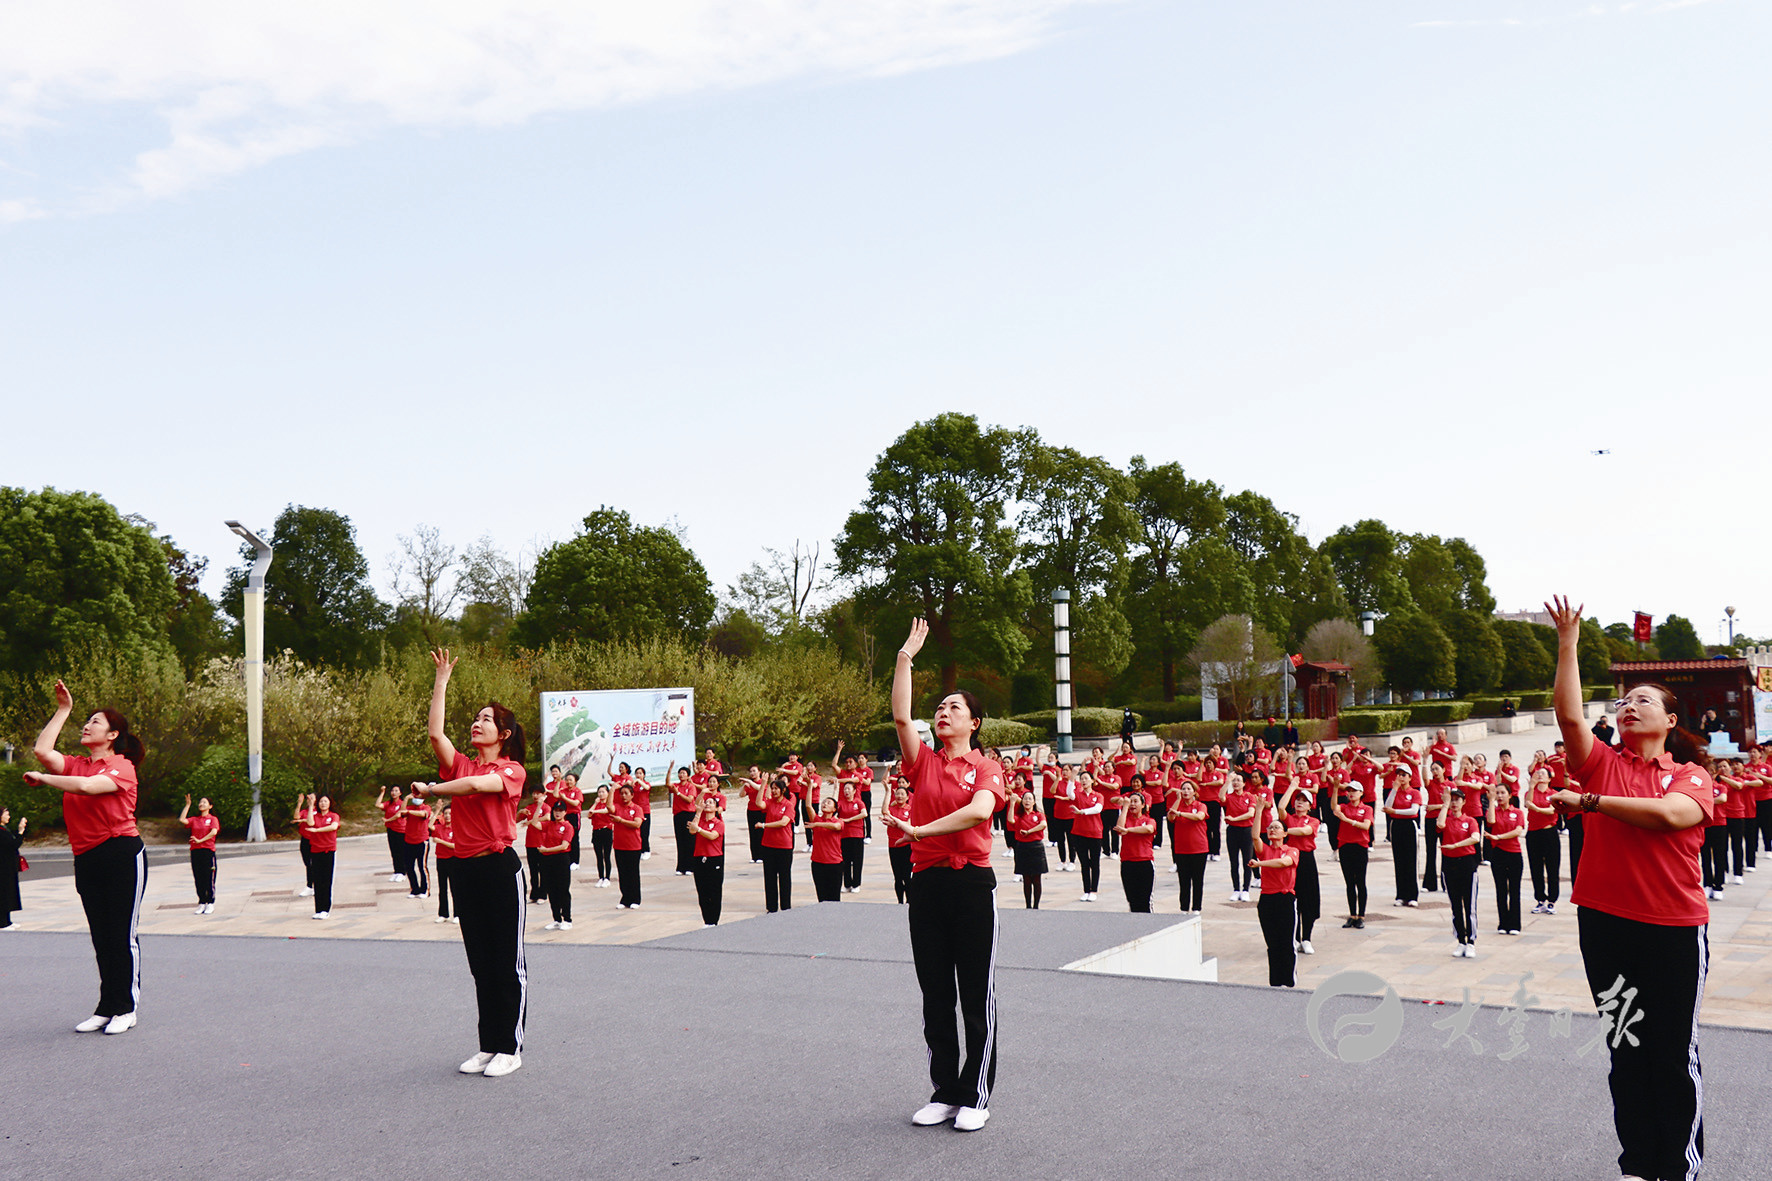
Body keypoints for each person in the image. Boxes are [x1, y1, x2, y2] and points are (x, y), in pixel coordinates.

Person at [1544, 597, 1715, 1181]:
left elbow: (1668, 816)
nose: (1629, 708)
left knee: (1671, 1053)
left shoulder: (1690, 776)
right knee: (1625, 1047)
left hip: (1671, 929)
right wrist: (1568, 643)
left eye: (1643, 700)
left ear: (1670, 720)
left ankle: (1679, 1168)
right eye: (1623, 702)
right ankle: (1639, 1165)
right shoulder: (1602, 763)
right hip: (1605, 924)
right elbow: (1570, 719)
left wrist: (1589, 802)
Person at [881, 618, 1006, 1133]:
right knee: (936, 994)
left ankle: (976, 1094)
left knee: (975, 994)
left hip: (971, 884)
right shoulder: (923, 763)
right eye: (940, 706)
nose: (943, 711)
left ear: (974, 722)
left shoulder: (987, 767)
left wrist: (918, 829)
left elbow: (978, 812)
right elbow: (901, 716)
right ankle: (945, 1091)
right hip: (928, 884)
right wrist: (904, 658)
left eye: (955, 707)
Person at [415, 648, 529, 1079]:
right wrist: (441, 680)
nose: (476, 723)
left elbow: (477, 787)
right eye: (476, 718)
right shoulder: (461, 764)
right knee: (480, 963)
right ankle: (488, 1046)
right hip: (466, 870)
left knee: (507, 963)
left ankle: (510, 1048)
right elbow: (435, 735)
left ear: (503, 733)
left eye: (486, 719)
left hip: (499, 868)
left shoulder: (511, 770)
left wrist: (433, 789)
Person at [1250, 818, 1300, 987]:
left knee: (1287, 943)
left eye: (1277, 827)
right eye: (1270, 827)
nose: (1272, 829)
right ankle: (1275, 983)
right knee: (1272, 944)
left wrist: (1259, 864)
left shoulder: (1292, 850)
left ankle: (1289, 982)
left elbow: (1283, 863)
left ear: (1285, 833)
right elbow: (1255, 837)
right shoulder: (1265, 850)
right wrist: (1258, 810)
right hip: (1267, 899)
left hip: (1285, 899)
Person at [1439, 787, 1481, 956]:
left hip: (1467, 863)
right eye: (1452, 800)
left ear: (1464, 802)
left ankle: (1471, 941)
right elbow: (1439, 825)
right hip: (1449, 864)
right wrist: (1445, 804)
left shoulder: (1470, 821)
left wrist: (1456, 845)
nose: (1454, 803)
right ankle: (1461, 941)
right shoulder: (1446, 818)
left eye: (1457, 800)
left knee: (1469, 906)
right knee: (1455, 905)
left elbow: (1475, 837)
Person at [1284, 791, 1321, 954]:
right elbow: (1280, 807)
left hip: (1306, 860)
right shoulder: (1289, 818)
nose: (1300, 803)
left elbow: (1305, 831)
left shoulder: (1313, 820)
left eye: (1304, 801)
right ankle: (1295, 938)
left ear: (1310, 806)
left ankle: (1306, 938)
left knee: (1308, 900)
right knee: (1292, 900)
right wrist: (1292, 787)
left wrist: (1285, 831)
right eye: (1297, 800)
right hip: (1291, 859)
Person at [1329, 785, 1371, 928]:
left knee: (1360, 881)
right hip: (1345, 846)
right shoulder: (1344, 807)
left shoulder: (1366, 809)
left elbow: (1365, 826)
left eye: (1354, 791)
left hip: (1360, 847)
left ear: (1361, 793)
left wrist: (1347, 820)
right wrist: (1335, 788)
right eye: (1350, 791)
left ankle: (1361, 915)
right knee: (1349, 882)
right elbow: (1334, 807)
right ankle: (1352, 914)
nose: (1351, 793)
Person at [1487, 788, 1526, 936]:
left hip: (1514, 853)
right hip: (1498, 854)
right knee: (1501, 889)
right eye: (1497, 793)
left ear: (1510, 795)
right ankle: (1503, 923)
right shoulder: (1493, 811)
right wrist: (1491, 801)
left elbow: (1518, 831)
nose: (1500, 796)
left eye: (1503, 793)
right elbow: (1490, 821)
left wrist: (1498, 837)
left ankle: (1515, 924)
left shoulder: (1517, 812)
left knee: (1514, 890)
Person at [1523, 768, 1562, 914]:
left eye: (1543, 774)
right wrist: (1531, 787)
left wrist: (1537, 809)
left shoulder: (1554, 794)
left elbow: (1553, 810)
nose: (1539, 775)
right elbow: (1527, 803)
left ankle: (1552, 901)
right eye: (1537, 773)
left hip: (1549, 833)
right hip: (1533, 833)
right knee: (1536, 867)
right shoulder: (1530, 792)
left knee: (1552, 867)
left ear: (1549, 778)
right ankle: (1540, 899)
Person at [1383, 768, 1421, 908]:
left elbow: (1414, 810)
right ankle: (1401, 895)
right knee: (1399, 860)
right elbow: (1387, 806)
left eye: (1404, 775)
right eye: (1399, 775)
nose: (1401, 777)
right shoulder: (1394, 791)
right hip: (1396, 825)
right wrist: (1394, 789)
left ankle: (1412, 895)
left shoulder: (1414, 793)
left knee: (1411, 860)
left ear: (1410, 777)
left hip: (1409, 825)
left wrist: (1395, 811)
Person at [1168, 781, 1208, 913]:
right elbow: (1170, 817)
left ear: (1194, 792)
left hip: (1199, 848)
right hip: (1181, 849)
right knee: (1183, 880)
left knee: (1197, 880)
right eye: (1183, 789)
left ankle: (1196, 907)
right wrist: (1177, 801)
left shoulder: (1200, 805)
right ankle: (1184, 908)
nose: (1185, 791)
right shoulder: (1178, 805)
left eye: (1188, 789)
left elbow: (1199, 817)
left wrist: (1180, 814)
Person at [758, 776, 796, 913]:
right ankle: (771, 907)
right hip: (768, 845)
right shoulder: (770, 802)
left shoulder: (788, 805)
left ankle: (786, 907)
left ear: (783, 790)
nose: (773, 791)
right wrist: (763, 784)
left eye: (776, 789)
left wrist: (764, 825)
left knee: (784, 877)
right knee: (769, 877)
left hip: (784, 846)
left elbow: (783, 822)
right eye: (772, 788)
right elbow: (759, 804)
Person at [178, 794, 220, 915]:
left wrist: (200, 840)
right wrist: (187, 805)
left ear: (210, 806)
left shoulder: (213, 819)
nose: (201, 804)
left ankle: (210, 902)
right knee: (198, 877)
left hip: (208, 851)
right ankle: (202, 902)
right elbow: (182, 820)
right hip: (195, 851)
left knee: (208, 877)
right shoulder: (195, 820)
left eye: (204, 802)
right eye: (200, 802)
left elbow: (213, 832)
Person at [300, 795, 340, 919]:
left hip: (328, 850)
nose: (323, 803)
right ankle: (318, 909)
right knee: (317, 881)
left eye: (325, 801)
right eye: (321, 801)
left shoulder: (334, 816)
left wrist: (317, 831)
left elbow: (333, 827)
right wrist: (311, 805)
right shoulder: (315, 815)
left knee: (326, 880)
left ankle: (325, 909)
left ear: (330, 803)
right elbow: (310, 823)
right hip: (315, 850)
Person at [1067, 771, 1105, 902]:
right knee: (1084, 863)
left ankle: (1094, 890)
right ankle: (1086, 890)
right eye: (1081, 779)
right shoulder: (1078, 794)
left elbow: (1098, 809)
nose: (1083, 781)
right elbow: (1069, 793)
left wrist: (1082, 812)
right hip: (1079, 833)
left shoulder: (1098, 795)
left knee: (1094, 863)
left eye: (1086, 778)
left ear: (1092, 780)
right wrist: (1073, 776)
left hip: (1095, 833)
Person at [1115, 793, 1156, 913]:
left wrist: (1128, 830)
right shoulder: (1126, 819)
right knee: (1132, 900)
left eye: (1135, 801)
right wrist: (1125, 807)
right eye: (1130, 801)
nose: (1132, 804)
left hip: (1144, 862)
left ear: (1143, 805)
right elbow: (1119, 828)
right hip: (1127, 862)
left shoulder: (1149, 820)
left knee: (1145, 900)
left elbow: (1149, 829)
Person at [688, 794, 725, 926]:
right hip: (699, 857)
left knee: (713, 891)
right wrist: (698, 812)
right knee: (702, 891)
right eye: (706, 802)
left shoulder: (719, 823)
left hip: (714, 858)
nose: (707, 804)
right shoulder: (700, 820)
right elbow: (692, 831)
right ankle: (707, 920)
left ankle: (713, 920)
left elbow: (712, 836)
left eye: (711, 803)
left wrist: (699, 829)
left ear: (716, 808)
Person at [538, 800, 574, 930]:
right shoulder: (549, 824)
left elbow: (564, 845)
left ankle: (567, 919)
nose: (557, 813)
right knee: (551, 889)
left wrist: (546, 850)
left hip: (561, 859)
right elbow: (535, 823)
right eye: (555, 811)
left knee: (562, 889)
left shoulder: (568, 826)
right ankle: (557, 918)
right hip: (548, 860)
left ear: (565, 812)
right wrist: (539, 805)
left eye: (560, 811)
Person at [609, 784, 646, 909]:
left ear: (632, 795)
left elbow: (637, 824)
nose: (624, 796)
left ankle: (635, 899)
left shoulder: (637, 808)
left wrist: (621, 821)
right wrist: (612, 790)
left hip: (633, 846)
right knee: (622, 873)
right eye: (622, 793)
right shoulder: (618, 807)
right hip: (619, 845)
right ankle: (625, 898)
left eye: (626, 793)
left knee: (633, 873)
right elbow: (609, 807)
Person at [1011, 787, 1047, 909]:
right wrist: (1012, 803)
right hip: (1022, 848)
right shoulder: (1019, 816)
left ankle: (1036, 905)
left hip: (1036, 848)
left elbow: (1043, 825)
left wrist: (1029, 831)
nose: (1027, 801)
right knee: (1026, 878)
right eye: (1025, 799)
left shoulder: (1039, 815)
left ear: (1034, 802)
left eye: (1030, 799)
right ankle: (1028, 905)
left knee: (1037, 878)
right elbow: (1010, 820)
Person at [807, 797, 846, 902]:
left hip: (834, 864)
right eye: (824, 802)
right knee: (821, 897)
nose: (825, 804)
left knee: (834, 897)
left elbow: (836, 827)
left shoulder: (839, 821)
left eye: (829, 803)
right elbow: (808, 806)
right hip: (818, 863)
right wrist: (809, 788)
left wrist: (818, 824)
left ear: (834, 809)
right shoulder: (816, 819)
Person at [885, 783, 915, 904]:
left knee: (907, 876)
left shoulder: (910, 810)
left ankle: (909, 901)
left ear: (907, 797)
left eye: (902, 794)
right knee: (897, 877)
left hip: (906, 846)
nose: (900, 796)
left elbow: (909, 824)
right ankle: (900, 902)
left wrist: (896, 824)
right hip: (893, 846)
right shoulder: (892, 809)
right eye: (897, 794)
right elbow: (884, 812)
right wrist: (888, 792)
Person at [837, 779, 867, 892]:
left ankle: (856, 884)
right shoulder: (841, 802)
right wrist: (835, 790)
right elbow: (833, 810)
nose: (846, 791)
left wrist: (849, 819)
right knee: (846, 861)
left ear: (854, 791)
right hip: (844, 835)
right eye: (845, 789)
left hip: (857, 834)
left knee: (857, 860)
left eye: (849, 789)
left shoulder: (858, 802)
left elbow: (864, 813)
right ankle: (847, 884)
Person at [377, 784, 409, 883]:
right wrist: (382, 792)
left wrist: (387, 820)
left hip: (401, 830)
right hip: (391, 830)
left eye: (396, 791)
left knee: (401, 852)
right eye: (392, 791)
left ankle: (403, 872)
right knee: (394, 852)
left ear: (400, 793)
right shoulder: (389, 803)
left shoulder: (402, 803)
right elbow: (378, 805)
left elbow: (398, 815)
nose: (394, 793)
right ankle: (397, 871)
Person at [404, 791, 432, 899]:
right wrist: (406, 799)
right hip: (409, 841)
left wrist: (409, 811)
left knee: (422, 866)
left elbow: (423, 814)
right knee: (409, 866)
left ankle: (425, 890)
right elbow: (401, 812)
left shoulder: (426, 807)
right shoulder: (410, 807)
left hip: (422, 841)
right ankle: (414, 889)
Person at [433, 803, 458, 924]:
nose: (448, 816)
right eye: (446, 814)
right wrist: (437, 810)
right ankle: (443, 914)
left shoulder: (457, 828)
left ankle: (457, 914)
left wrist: (440, 841)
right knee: (442, 888)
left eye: (450, 814)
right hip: (441, 859)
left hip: (453, 860)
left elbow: (455, 846)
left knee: (455, 888)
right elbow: (429, 825)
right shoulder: (439, 827)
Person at [0, 808, 24, 929]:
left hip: (8, 867)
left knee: (8, 893)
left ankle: (7, 921)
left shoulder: (4, 829)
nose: (8, 816)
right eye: (6, 814)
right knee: (3, 894)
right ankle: (2, 922)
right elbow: (12, 844)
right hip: (3, 868)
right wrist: (20, 832)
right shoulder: (1, 832)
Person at [587, 786, 615, 888]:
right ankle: (601, 877)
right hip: (596, 831)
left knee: (606, 856)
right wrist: (595, 804)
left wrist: (595, 812)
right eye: (599, 792)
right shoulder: (596, 804)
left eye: (603, 792)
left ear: (607, 793)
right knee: (598, 856)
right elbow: (589, 815)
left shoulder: (610, 804)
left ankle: (607, 878)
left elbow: (606, 810)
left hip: (606, 831)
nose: (601, 794)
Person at [293, 792, 315, 898]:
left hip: (316, 840)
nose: (309, 799)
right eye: (308, 798)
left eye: (312, 798)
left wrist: (302, 820)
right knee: (308, 863)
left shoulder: (318, 811)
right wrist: (299, 803)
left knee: (314, 864)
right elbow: (296, 817)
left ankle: (311, 885)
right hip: (305, 839)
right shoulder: (305, 811)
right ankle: (310, 886)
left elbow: (312, 821)